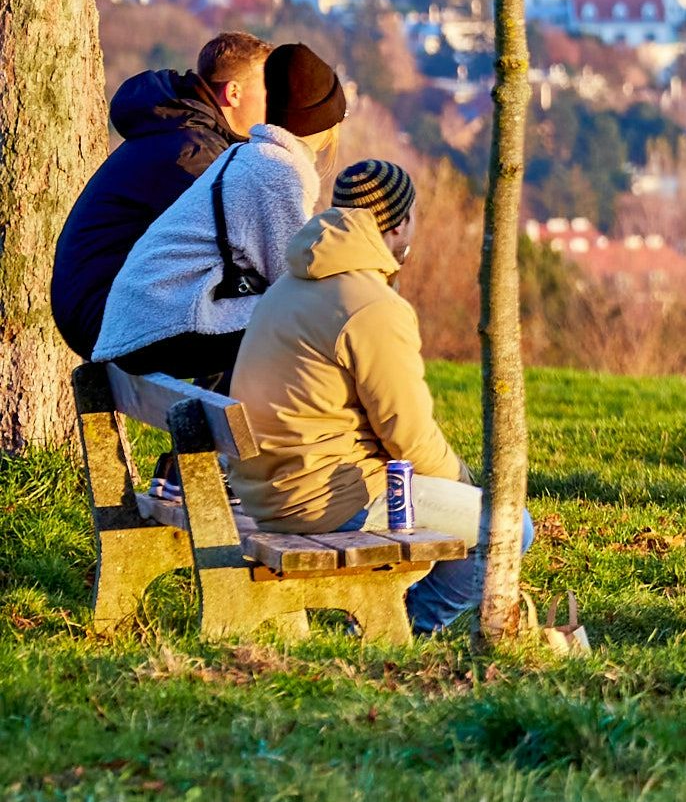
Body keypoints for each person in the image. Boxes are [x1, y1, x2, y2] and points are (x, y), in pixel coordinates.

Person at [226, 160, 530, 637]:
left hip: (267, 490)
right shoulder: (371, 306)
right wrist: (465, 485)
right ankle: (401, 626)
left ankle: (387, 615)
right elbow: (408, 435)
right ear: (398, 223)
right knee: (510, 528)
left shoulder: (292, 281)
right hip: (325, 498)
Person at [94, 42, 348, 386]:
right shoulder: (279, 170)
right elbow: (290, 277)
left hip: (135, 325)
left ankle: (230, 427)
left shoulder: (246, 155)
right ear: (323, 122)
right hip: (156, 332)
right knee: (309, 323)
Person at [52, 32, 269, 359]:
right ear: (234, 93)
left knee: (262, 309)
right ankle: (223, 410)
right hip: (108, 319)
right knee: (279, 318)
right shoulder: (192, 151)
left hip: (102, 312)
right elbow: (231, 247)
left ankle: (218, 408)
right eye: (270, 89)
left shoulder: (181, 131)